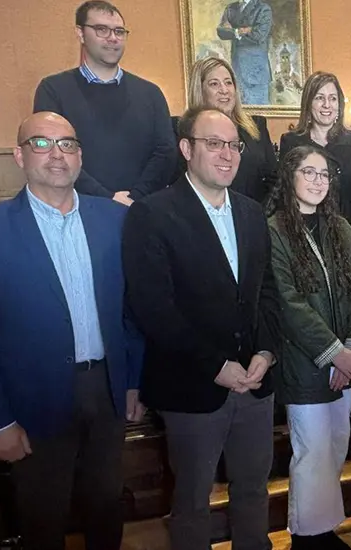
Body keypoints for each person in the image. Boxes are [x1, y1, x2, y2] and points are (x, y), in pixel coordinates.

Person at [0, 112, 144, 550]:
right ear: (19, 155)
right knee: (42, 517)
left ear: (80, 156)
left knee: (106, 506)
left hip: (106, 391)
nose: (56, 154)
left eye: (68, 144)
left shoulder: (114, 220)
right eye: (41, 143)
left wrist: (131, 383)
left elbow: (130, 312)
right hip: (33, 401)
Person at [122, 107, 282, 550]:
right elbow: (153, 308)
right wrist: (216, 365)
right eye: (214, 143)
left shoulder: (251, 214)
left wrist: (265, 354)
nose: (227, 154)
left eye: (233, 145)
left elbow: (267, 293)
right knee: (192, 501)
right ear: (186, 148)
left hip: (255, 382)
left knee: (253, 489)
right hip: (192, 388)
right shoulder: (152, 214)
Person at [267, 145, 351, 549]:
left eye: (323, 174)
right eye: (308, 173)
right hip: (305, 362)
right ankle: (306, 540)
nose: (317, 181)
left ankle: (323, 531)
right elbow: (287, 301)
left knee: (335, 446)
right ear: (290, 178)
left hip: (346, 362)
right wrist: (334, 352)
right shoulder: (275, 229)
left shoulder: (341, 228)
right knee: (311, 452)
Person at [33, 1, 176, 205]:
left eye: (119, 31)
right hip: (78, 209)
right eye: (102, 30)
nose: (112, 38)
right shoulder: (53, 90)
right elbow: (54, 154)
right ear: (80, 33)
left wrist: (135, 196)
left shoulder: (151, 93)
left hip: (143, 211)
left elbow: (165, 153)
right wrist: (106, 199)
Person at [175, 56, 278, 203]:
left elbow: (273, 178)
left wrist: (260, 214)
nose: (224, 90)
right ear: (200, 91)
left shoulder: (256, 125)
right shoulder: (185, 131)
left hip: (254, 214)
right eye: (214, 84)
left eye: (228, 83)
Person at [279, 71, 351, 224]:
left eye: (332, 98)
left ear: (339, 104)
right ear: (308, 103)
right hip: (304, 228)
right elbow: (284, 191)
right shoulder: (291, 142)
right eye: (319, 98)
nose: (327, 104)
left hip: (349, 227)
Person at [216, 0, 272, 105]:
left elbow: (259, 35)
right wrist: (241, 31)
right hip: (236, 69)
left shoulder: (263, 9)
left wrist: (233, 31)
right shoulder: (231, 8)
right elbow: (221, 32)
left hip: (256, 72)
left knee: (258, 114)